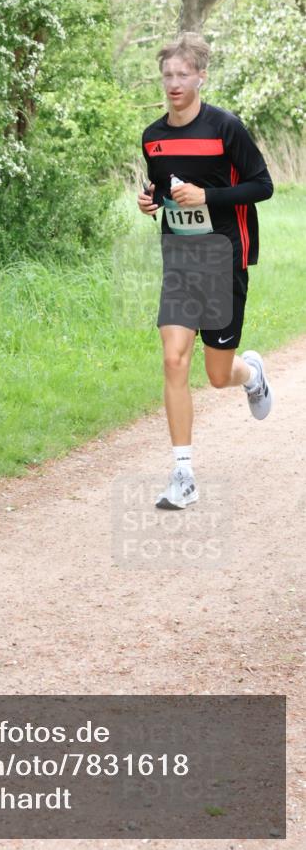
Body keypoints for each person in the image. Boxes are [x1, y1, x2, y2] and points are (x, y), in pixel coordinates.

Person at [138, 32, 273, 510]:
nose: (174, 83)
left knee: (218, 375)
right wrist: (151, 201)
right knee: (174, 359)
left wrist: (208, 196)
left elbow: (262, 185)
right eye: (168, 75)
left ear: (201, 77)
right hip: (180, 258)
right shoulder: (153, 137)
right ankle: (183, 475)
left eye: (183, 74)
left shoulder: (225, 128)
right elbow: (162, 188)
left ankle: (250, 373)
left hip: (223, 257)